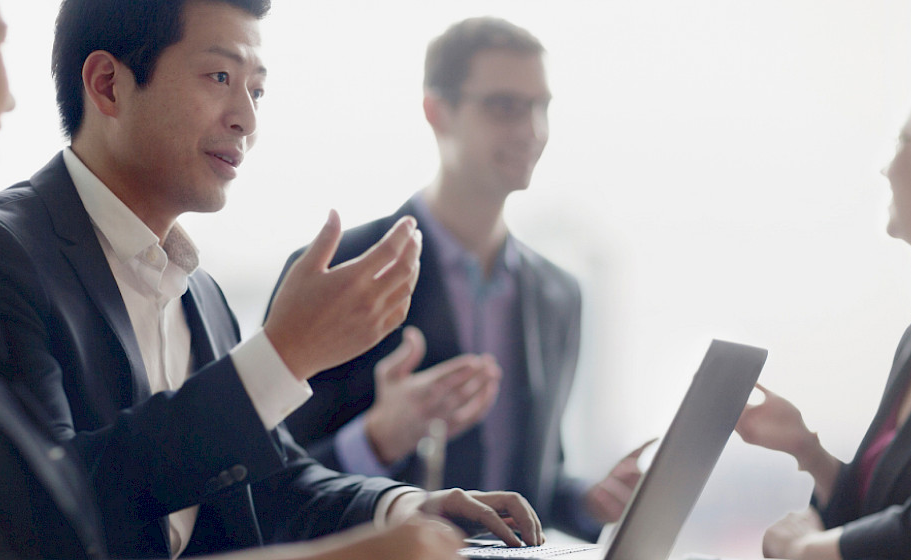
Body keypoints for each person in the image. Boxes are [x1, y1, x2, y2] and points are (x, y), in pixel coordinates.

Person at [0, 0, 473, 559]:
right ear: (108, 84)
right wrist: (282, 356)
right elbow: (53, 509)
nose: (247, 118)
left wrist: (404, 506)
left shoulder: (202, 293)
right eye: (219, 77)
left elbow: (265, 481)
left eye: (257, 90)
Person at [270, 16, 648, 543]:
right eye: (504, 106)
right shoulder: (344, 268)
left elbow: (532, 485)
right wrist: (377, 438)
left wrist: (587, 501)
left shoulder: (559, 295)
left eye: (540, 107)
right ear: (437, 111)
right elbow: (265, 486)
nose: (532, 130)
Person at [735, 50, 911, 560]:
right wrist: (808, 451)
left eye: (903, 141)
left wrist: (806, 549)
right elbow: (881, 513)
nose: (886, 167)